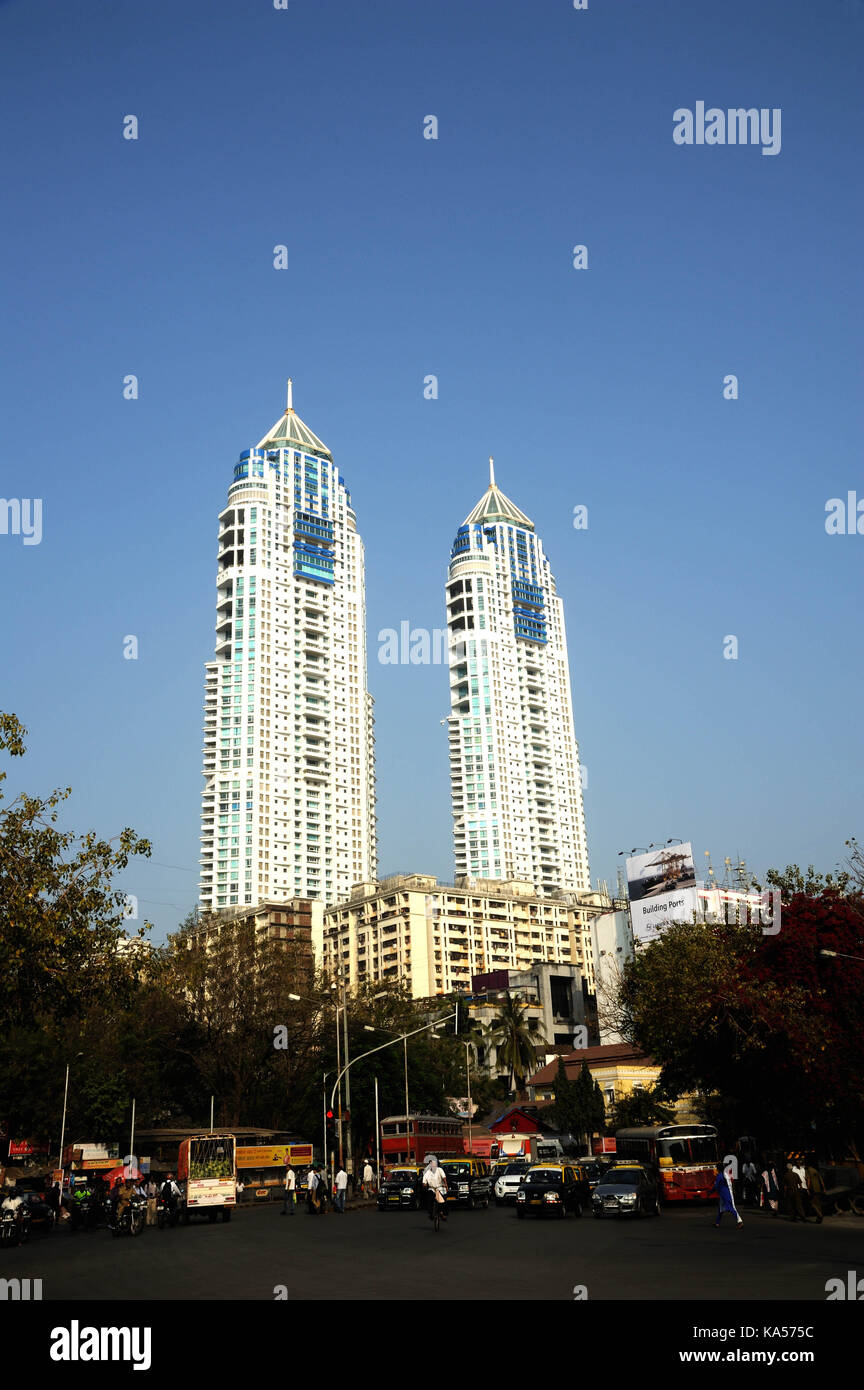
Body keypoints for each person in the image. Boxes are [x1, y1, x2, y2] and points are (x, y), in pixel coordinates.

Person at [712, 1162, 743, 1228]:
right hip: (725, 1193)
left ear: (718, 1169)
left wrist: (711, 1191)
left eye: (716, 1168)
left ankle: (739, 1222)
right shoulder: (725, 1174)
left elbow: (716, 1185)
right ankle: (717, 1223)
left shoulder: (720, 1175)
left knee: (730, 1208)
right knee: (721, 1209)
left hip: (725, 1194)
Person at [422, 1156, 448, 1222]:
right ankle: (431, 1214)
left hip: (440, 1188)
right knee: (429, 1200)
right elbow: (424, 1182)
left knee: (443, 1200)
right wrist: (424, 1185)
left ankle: (442, 1213)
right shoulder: (427, 1173)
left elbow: (444, 1178)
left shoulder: (440, 1170)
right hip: (431, 1189)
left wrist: (446, 1185)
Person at [805, 1156, 824, 1224]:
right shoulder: (815, 1170)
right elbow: (821, 1181)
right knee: (818, 1204)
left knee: (812, 1204)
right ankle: (819, 1219)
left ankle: (820, 1215)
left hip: (813, 1189)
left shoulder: (808, 1171)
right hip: (818, 1189)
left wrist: (807, 1189)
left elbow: (808, 1180)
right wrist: (824, 1189)